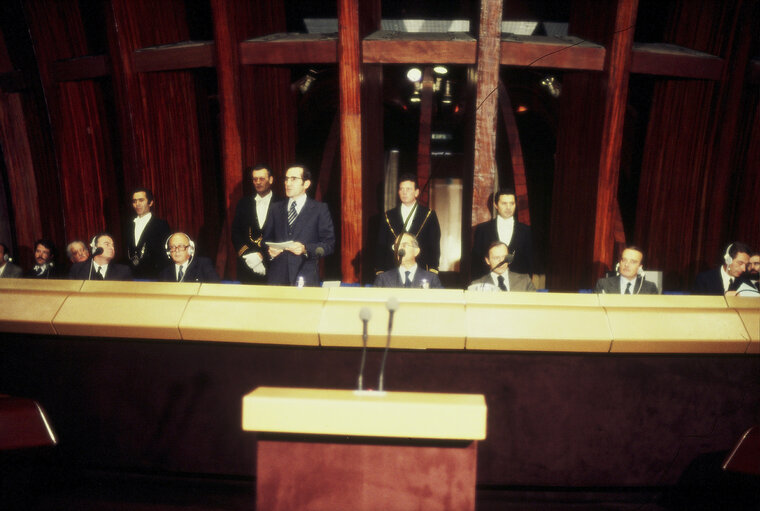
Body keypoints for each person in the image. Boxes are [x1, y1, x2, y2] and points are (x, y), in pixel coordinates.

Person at [264, 164, 335, 286]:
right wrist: (269, 250)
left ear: (306, 184)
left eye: (293, 179)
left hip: (306, 278)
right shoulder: (275, 208)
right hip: (277, 278)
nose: (288, 183)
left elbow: (328, 245)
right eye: (286, 179)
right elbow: (265, 240)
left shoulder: (319, 209)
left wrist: (305, 249)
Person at [375, 173, 441, 276]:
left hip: (421, 270)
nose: (404, 192)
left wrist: (433, 268)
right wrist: (380, 269)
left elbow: (434, 245)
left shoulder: (429, 215)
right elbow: (381, 245)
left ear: (416, 192)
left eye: (408, 189)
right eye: (401, 189)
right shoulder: (388, 216)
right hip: (393, 272)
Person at [231, 164, 282, 283]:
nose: (258, 182)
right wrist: (250, 255)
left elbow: (285, 235)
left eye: (262, 178)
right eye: (255, 179)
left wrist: (262, 255)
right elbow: (235, 232)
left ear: (271, 179)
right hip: (248, 265)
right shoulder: (244, 203)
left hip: (274, 265)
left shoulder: (282, 204)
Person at [472, 188, 534, 278]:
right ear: (495, 205)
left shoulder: (526, 231)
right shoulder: (482, 230)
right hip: (489, 286)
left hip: (517, 285)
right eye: (504, 203)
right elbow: (476, 262)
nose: (508, 207)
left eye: (512, 203)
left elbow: (530, 262)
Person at [126, 187, 171, 279]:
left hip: (154, 276)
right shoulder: (128, 225)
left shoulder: (161, 225)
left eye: (141, 200)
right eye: (134, 201)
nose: (137, 204)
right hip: (132, 277)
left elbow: (163, 255)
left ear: (150, 203)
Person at [374, 232, 443, 288]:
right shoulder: (383, 278)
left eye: (404, 245)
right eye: (397, 246)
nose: (400, 249)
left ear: (416, 251)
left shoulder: (431, 278)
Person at [469, 241, 535, 292]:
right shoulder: (476, 285)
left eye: (504, 257)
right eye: (496, 258)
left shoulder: (525, 281)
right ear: (487, 261)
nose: (501, 261)